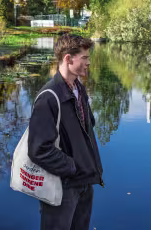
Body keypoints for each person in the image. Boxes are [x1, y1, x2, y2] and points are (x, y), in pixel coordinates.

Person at [28, 34, 104, 230]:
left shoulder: (79, 89)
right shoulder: (48, 98)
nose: (88, 62)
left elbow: (88, 128)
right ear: (68, 59)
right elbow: (39, 149)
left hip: (85, 182)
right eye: (84, 58)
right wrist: (72, 167)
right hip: (62, 187)